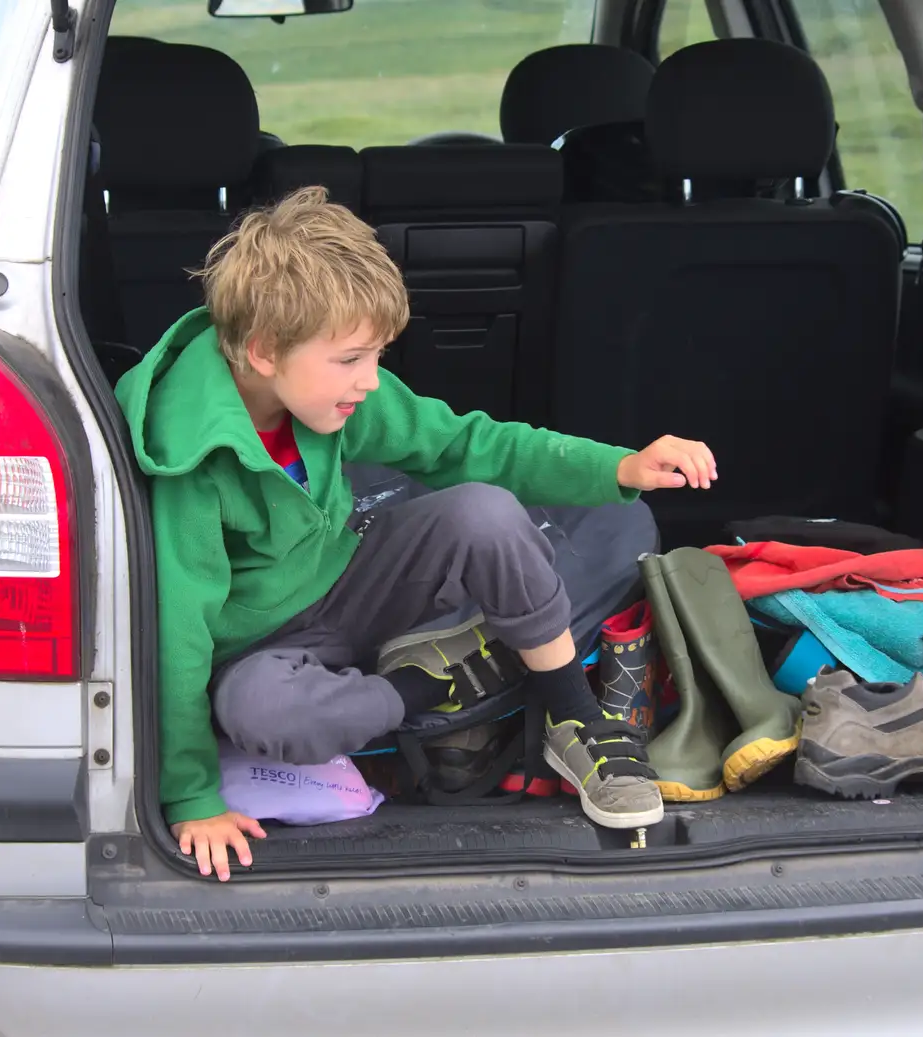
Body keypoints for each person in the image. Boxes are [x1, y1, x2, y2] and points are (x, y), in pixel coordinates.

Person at [115, 187, 717, 881]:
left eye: (377, 356)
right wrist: (191, 798)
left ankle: (574, 717)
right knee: (263, 710)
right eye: (351, 359)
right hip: (260, 647)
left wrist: (620, 465)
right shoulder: (193, 458)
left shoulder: (324, 390)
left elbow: (468, 444)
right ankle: (431, 687)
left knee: (484, 509)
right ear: (263, 351)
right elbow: (181, 638)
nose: (371, 381)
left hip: (349, 575)